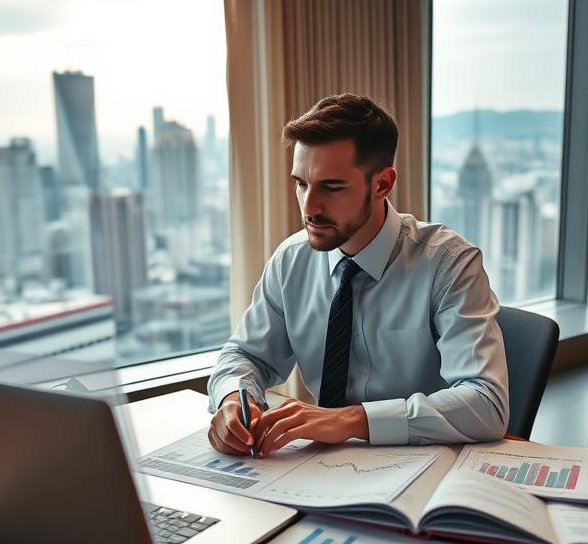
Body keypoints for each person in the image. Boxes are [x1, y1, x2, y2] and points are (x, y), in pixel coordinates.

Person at [207, 93, 508, 457]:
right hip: (318, 470)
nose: (309, 207)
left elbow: (487, 403)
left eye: (331, 187)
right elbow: (245, 355)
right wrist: (233, 400)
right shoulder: (291, 261)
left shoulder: (448, 264)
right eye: (301, 183)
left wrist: (352, 420)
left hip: (420, 468)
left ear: (381, 184)